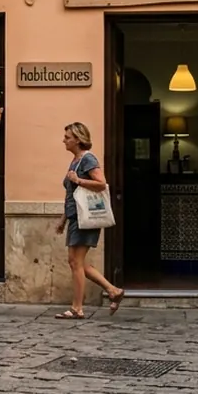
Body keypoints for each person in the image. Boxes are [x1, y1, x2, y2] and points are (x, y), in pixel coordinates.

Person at [55, 122, 124, 319]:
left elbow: (101, 183)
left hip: (85, 218)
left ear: (78, 139)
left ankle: (77, 308)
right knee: (75, 262)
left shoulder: (87, 159)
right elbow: (72, 195)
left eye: (67, 137)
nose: (64, 140)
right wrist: (63, 219)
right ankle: (113, 291)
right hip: (75, 217)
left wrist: (78, 180)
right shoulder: (75, 161)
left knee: (75, 262)